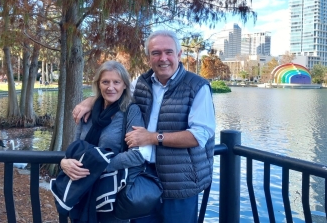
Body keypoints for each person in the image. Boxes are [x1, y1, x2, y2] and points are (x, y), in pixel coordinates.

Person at [73, 30, 216, 223]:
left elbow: (199, 136)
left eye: (168, 52)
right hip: (142, 180)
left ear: (179, 54)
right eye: (156, 53)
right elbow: (114, 90)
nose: (162, 58)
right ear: (149, 57)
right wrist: (91, 100)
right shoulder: (141, 83)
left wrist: (153, 137)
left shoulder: (197, 87)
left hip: (180, 182)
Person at [59, 61, 146, 223]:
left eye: (116, 82)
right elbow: (75, 148)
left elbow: (137, 156)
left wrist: (98, 164)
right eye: (105, 82)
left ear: (125, 85)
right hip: (82, 189)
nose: (110, 87)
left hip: (111, 195)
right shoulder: (88, 111)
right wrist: (64, 162)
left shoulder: (130, 111)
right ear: (98, 84)